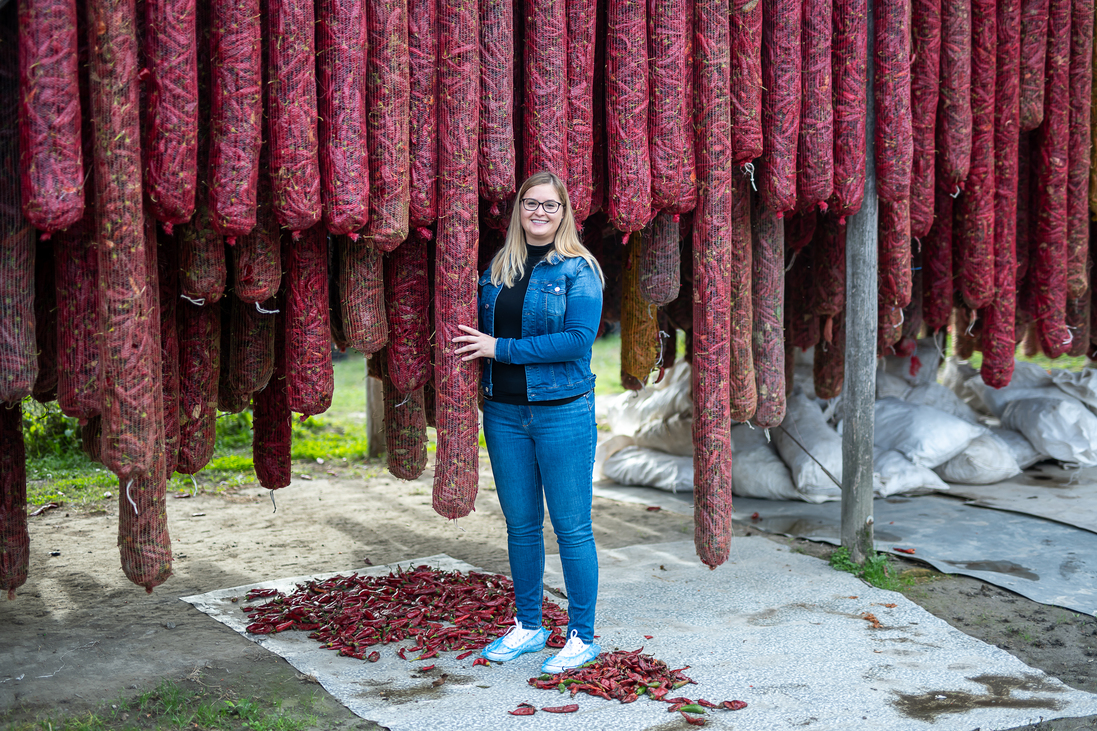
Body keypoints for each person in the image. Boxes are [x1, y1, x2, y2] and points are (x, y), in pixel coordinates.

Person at [452, 171, 605, 674]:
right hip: (504, 414)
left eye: (550, 206)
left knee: (572, 529)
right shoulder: (500, 267)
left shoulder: (579, 270)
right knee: (521, 526)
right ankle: (530, 625)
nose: (540, 213)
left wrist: (500, 349)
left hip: (563, 412)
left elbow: (578, 340)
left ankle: (582, 635)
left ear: (564, 213)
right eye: (531, 204)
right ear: (518, 210)